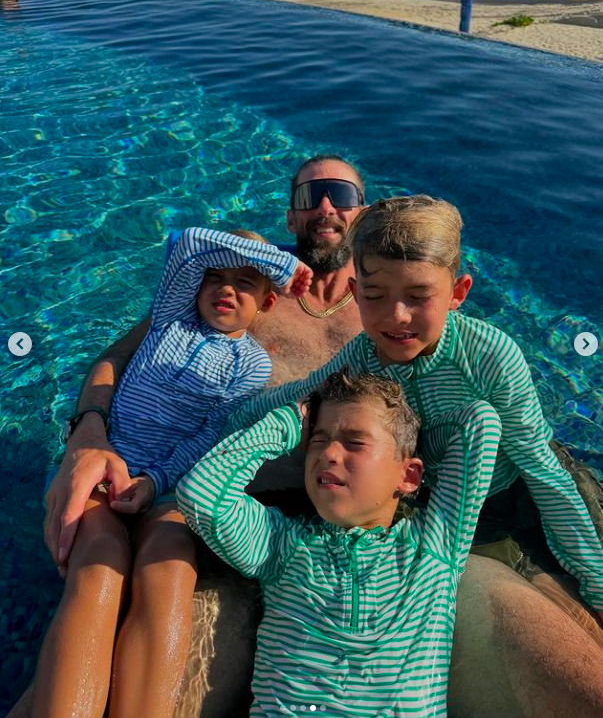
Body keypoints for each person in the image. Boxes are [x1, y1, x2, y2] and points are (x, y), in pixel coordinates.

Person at [12, 157, 601, 718]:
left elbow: (505, 440)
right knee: (101, 634)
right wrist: (87, 433)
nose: (324, 206)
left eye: (341, 195)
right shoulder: (245, 289)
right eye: (307, 196)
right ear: (289, 217)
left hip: (406, 529)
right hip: (253, 522)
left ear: (364, 214)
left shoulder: (390, 311)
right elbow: (123, 355)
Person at [30, 228, 312, 718]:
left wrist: (155, 482)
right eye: (215, 277)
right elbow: (186, 244)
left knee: (168, 567)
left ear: (268, 303)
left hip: (170, 485)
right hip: (105, 465)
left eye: (246, 281)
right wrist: (281, 265)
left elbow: (210, 436)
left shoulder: (250, 366)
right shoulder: (169, 320)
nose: (227, 288)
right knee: (102, 558)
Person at [177, 370, 502, 717]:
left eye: (354, 441)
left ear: (408, 476)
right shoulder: (282, 545)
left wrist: (409, 443)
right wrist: (290, 421)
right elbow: (200, 494)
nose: (329, 453)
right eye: (317, 439)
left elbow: (479, 421)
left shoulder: (434, 544)